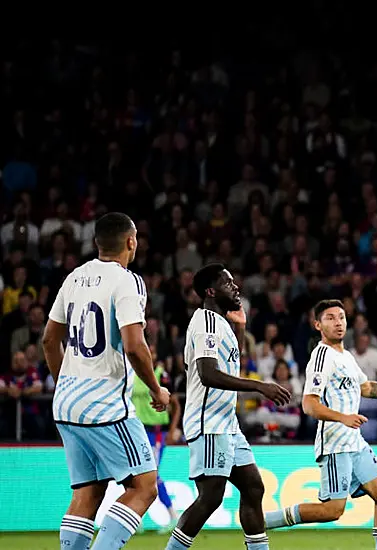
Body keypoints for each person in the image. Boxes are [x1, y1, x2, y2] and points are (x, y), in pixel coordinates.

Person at [41, 212, 171, 549]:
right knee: (144, 486)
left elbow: (48, 340)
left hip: (66, 404)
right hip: (105, 407)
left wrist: (67, 382)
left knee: (90, 490)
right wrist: (157, 390)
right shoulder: (127, 281)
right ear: (131, 241)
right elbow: (134, 345)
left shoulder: (74, 277)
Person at [263, 299, 377, 550]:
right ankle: (261, 521)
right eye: (330, 318)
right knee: (332, 510)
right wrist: (343, 417)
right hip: (335, 443)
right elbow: (309, 404)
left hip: (355, 441)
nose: (338, 322)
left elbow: (367, 388)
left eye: (341, 317)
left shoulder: (346, 356)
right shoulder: (321, 357)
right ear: (318, 324)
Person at [165, 264, 291, 550]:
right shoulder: (205, 322)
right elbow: (208, 373)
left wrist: (241, 327)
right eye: (227, 283)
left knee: (253, 487)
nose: (235, 287)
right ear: (210, 291)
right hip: (208, 422)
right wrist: (259, 386)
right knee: (211, 497)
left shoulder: (220, 323)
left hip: (226, 423)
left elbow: (230, 363)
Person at [132, 359, 182, 532]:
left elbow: (175, 403)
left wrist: (173, 429)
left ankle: (173, 515)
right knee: (137, 475)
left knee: (152, 475)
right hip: (137, 431)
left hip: (155, 432)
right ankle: (137, 518)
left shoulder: (161, 375)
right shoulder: (132, 372)